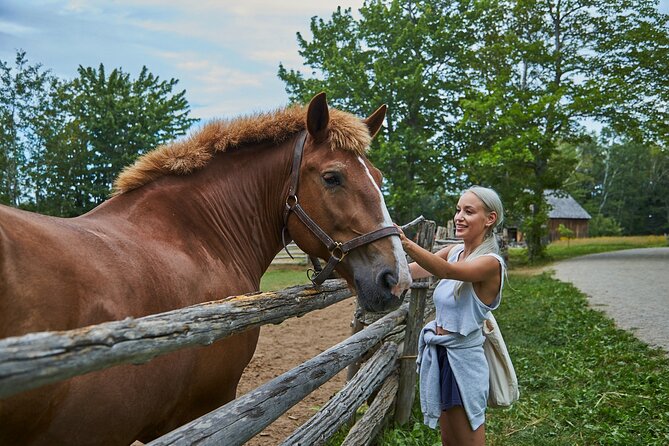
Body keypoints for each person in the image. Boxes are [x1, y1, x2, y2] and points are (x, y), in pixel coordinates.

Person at [398, 186, 505, 446]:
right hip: (443, 356)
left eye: (469, 211)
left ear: (489, 219)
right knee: (449, 441)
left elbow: (445, 271)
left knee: (468, 440)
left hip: (464, 362)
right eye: (458, 209)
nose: (459, 216)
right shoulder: (455, 251)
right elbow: (412, 272)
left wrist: (404, 241)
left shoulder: (491, 263)